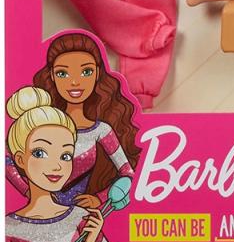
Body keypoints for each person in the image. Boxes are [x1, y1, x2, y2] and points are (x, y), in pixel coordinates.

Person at [6, 32, 139, 208]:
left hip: (80, 214)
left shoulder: (100, 131)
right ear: (52, 75)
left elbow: (127, 172)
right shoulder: (40, 122)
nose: (75, 82)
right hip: (41, 211)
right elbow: (7, 158)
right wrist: (28, 191)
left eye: (86, 72)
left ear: (97, 74)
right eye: (62, 73)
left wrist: (100, 198)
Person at [5, 86, 128, 242]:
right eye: (40, 153)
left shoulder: (82, 217)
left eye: (65, 156)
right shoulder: (9, 226)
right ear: (20, 159)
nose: (57, 166)